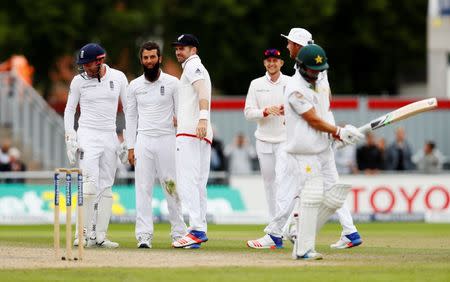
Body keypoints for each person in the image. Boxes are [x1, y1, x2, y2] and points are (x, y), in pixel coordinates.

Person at [247, 29, 362, 250]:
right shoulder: (313, 70)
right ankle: (350, 231)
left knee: (289, 189)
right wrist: (335, 130)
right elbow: (325, 102)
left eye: (289, 43)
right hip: (321, 137)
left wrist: (334, 130)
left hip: (304, 143)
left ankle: (277, 234)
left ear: (298, 46)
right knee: (331, 187)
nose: (287, 47)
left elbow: (314, 113)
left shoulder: (299, 78)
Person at [284, 43, 363, 259]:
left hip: (322, 146)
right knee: (312, 196)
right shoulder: (294, 88)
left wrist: (337, 135)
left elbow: (324, 112)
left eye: (319, 70)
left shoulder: (319, 82)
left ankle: (302, 240)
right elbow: (312, 119)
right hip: (304, 150)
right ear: (300, 66)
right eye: (312, 70)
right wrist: (337, 131)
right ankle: (302, 248)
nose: (316, 73)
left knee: (335, 195)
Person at [64, 43, 128, 248]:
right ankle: (81, 233)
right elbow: (69, 110)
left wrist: (129, 139)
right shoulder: (78, 81)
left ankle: (100, 236)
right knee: (89, 185)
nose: (84, 68)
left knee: (106, 187)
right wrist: (70, 137)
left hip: (109, 135)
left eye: (87, 64)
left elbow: (129, 109)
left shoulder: (118, 77)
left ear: (100, 61)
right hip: (87, 135)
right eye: (82, 64)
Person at [125, 41, 187, 248]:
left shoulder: (173, 83)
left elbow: (182, 115)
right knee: (142, 188)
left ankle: (179, 233)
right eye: (145, 58)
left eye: (153, 57)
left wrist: (180, 140)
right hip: (144, 140)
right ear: (141, 60)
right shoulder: (134, 86)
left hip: (167, 140)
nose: (149, 61)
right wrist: (130, 147)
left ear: (159, 58)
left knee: (171, 186)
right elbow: (131, 119)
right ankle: (144, 235)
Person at [171, 34, 212, 249]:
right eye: (177, 48)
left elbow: (202, 90)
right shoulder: (196, 66)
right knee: (198, 183)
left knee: (187, 181)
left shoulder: (192, 65)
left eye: (183, 48)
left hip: (191, 132)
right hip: (198, 131)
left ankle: (196, 228)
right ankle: (199, 229)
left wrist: (202, 118)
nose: (179, 51)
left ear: (193, 50)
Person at [244, 48, 288, 219]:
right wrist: (265, 111)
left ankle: (284, 222)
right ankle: (273, 223)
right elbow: (248, 113)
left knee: (282, 181)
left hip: (284, 139)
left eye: (275, 61)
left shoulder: (290, 83)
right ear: (264, 63)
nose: (271, 63)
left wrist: (287, 111)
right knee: (269, 183)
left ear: (281, 63)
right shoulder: (256, 84)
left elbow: (299, 109)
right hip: (263, 140)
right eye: (268, 61)